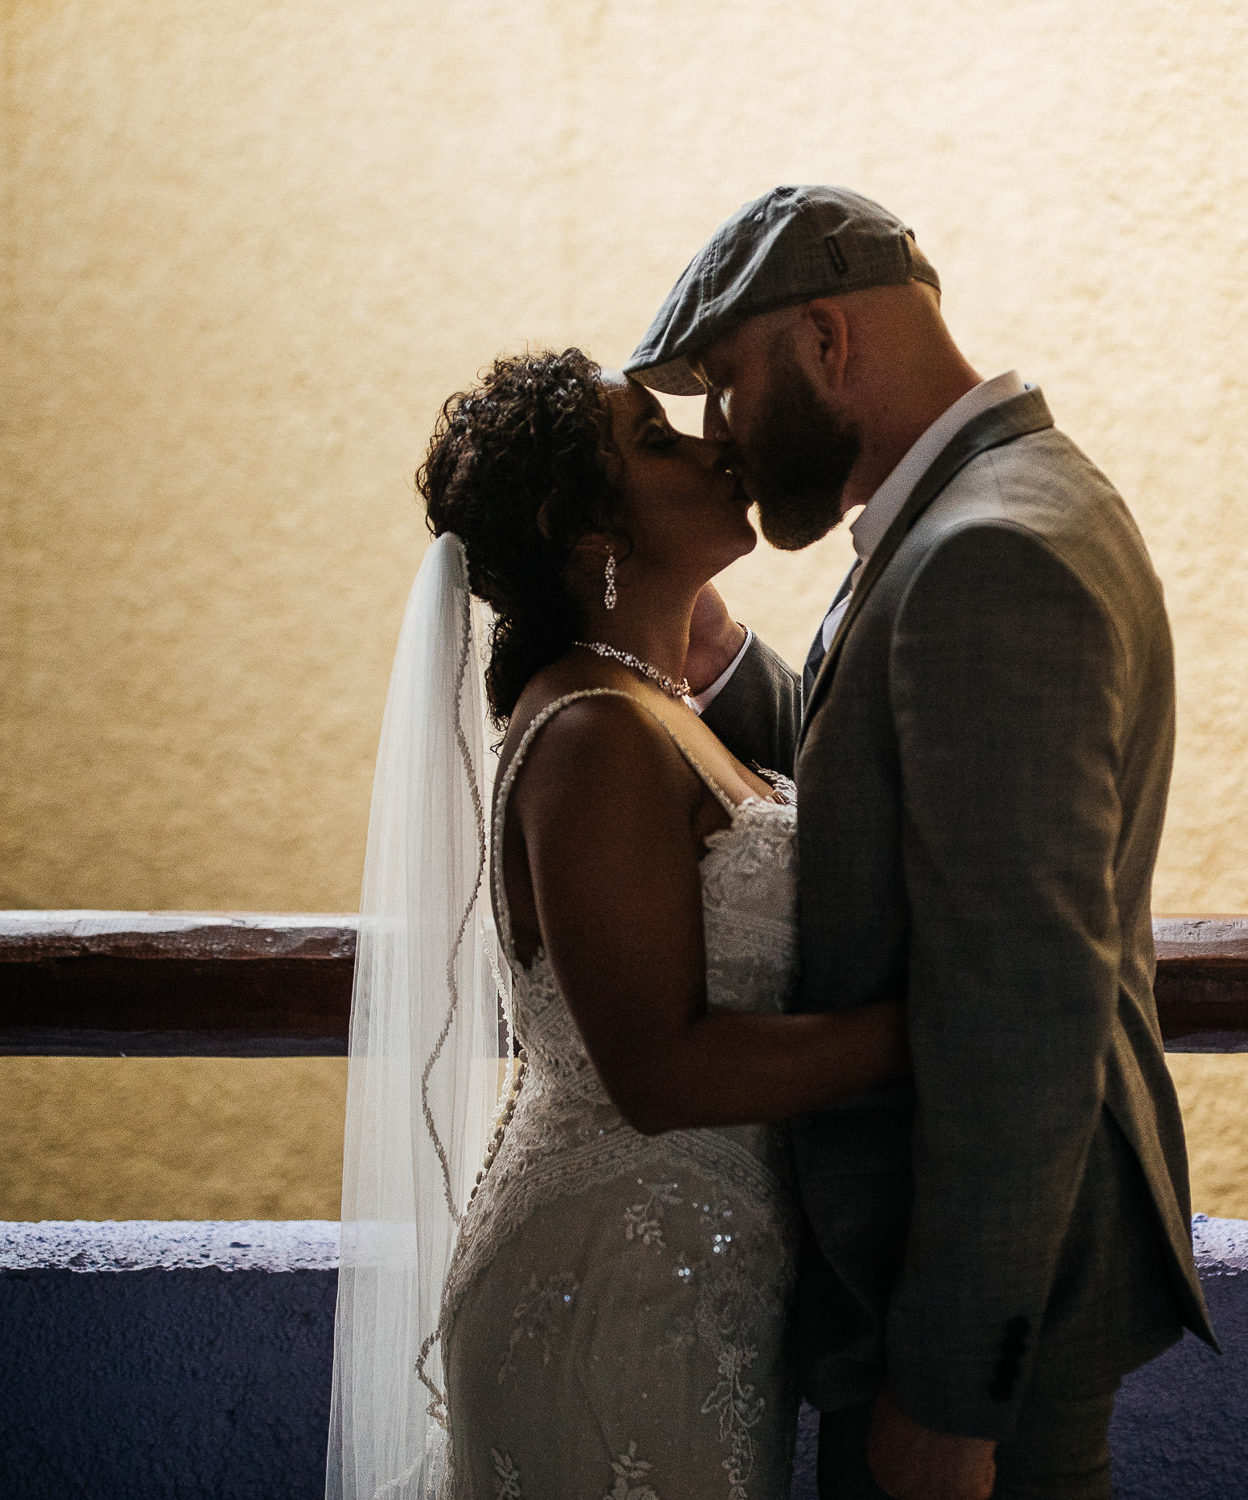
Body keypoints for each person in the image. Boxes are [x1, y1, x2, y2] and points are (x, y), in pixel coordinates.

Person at [629, 186, 1217, 1500]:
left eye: (726, 381)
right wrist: (731, 668)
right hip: (973, 1301)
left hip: (972, 1339)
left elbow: (1020, 1000)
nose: (718, 431)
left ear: (828, 342)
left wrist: (949, 1396)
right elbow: (913, 789)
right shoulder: (1004, 499)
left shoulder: (985, 554)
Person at [324, 348, 906, 1500]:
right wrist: (932, 1033)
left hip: (689, 1274)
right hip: (613, 1291)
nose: (715, 447)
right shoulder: (594, 734)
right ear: (586, 530)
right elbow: (657, 1068)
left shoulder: (653, 702)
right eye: (657, 440)